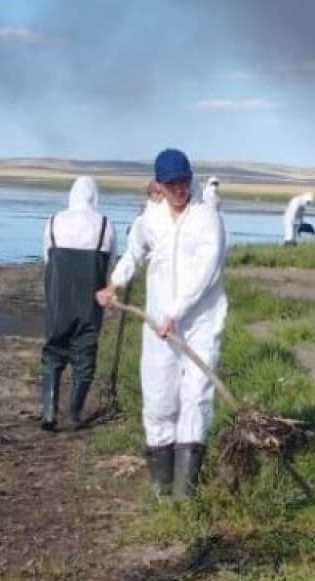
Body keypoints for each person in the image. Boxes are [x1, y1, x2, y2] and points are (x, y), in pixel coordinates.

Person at [96, 149, 228, 498]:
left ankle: (186, 494)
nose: (179, 190)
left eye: (183, 182)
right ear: (159, 185)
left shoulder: (206, 218)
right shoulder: (151, 218)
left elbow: (206, 271)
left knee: (195, 397)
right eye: (171, 185)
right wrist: (115, 283)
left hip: (199, 322)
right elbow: (134, 253)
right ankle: (162, 490)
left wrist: (177, 311)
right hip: (158, 325)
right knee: (158, 399)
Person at [40, 175, 115, 431]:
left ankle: (49, 411)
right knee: (86, 353)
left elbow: (47, 259)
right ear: (95, 196)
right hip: (89, 301)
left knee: (53, 350)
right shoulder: (105, 224)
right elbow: (110, 263)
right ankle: (73, 414)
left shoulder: (53, 221)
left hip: (58, 298)